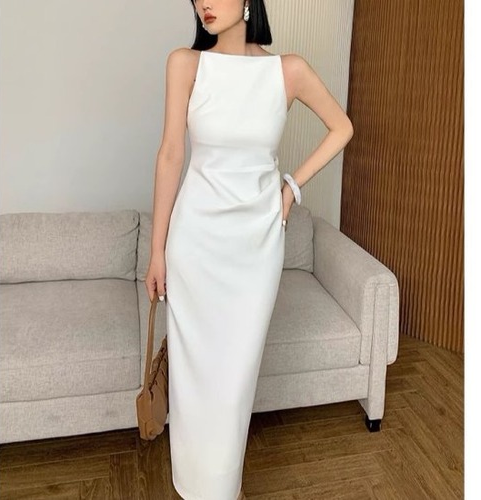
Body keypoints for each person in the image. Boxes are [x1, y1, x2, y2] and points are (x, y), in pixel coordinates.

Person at [145, 1, 353, 498]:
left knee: (235, 385)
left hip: (256, 249)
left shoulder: (288, 71)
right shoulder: (185, 64)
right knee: (195, 383)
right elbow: (171, 154)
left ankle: (222, 488)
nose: (204, 3)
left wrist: (291, 188)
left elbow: (342, 127)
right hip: (195, 245)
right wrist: (157, 251)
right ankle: (196, 487)